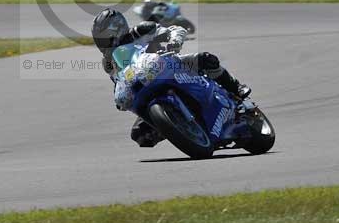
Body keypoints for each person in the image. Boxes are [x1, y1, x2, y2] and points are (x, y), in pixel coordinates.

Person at [91, 8, 250, 148]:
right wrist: (119, 95)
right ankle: (179, 127)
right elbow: (117, 79)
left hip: (169, 65)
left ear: (118, 30)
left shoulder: (141, 30)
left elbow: (175, 29)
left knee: (206, 59)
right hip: (143, 82)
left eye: (104, 40)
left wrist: (174, 40)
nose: (102, 45)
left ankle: (236, 89)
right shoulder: (108, 63)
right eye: (99, 41)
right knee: (140, 135)